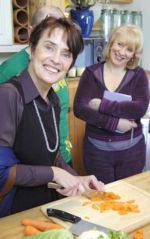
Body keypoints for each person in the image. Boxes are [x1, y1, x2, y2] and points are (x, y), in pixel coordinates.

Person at [0, 16, 105, 217]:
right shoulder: (8, 96)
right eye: (49, 47)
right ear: (31, 49)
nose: (57, 59)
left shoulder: (53, 100)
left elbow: (51, 155)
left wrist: (78, 179)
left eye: (66, 54)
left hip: (45, 210)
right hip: (13, 216)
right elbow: (1, 173)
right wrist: (56, 174)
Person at [73, 24, 150, 184]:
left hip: (132, 153)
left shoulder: (138, 75)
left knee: (129, 200)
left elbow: (139, 108)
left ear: (134, 55)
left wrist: (102, 105)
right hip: (96, 153)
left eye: (129, 49)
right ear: (111, 43)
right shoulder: (91, 73)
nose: (122, 52)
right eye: (120, 44)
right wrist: (115, 123)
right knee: (102, 201)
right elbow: (80, 109)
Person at [0, 5, 72, 164]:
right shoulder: (9, 70)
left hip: (61, 157)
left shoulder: (57, 64)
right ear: (32, 33)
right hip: (27, 168)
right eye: (49, 43)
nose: (56, 58)